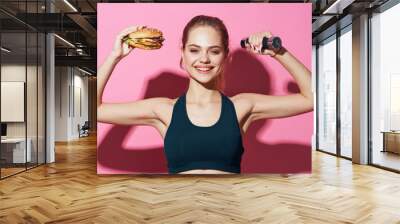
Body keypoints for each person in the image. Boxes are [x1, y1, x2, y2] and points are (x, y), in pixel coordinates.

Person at [97, 15, 313, 174]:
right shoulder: (164, 110)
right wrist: (115, 56)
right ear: (182, 52)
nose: (204, 59)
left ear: (225, 56)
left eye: (214, 51)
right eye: (194, 50)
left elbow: (311, 99)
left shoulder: (242, 106)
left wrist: (279, 52)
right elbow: (96, 110)